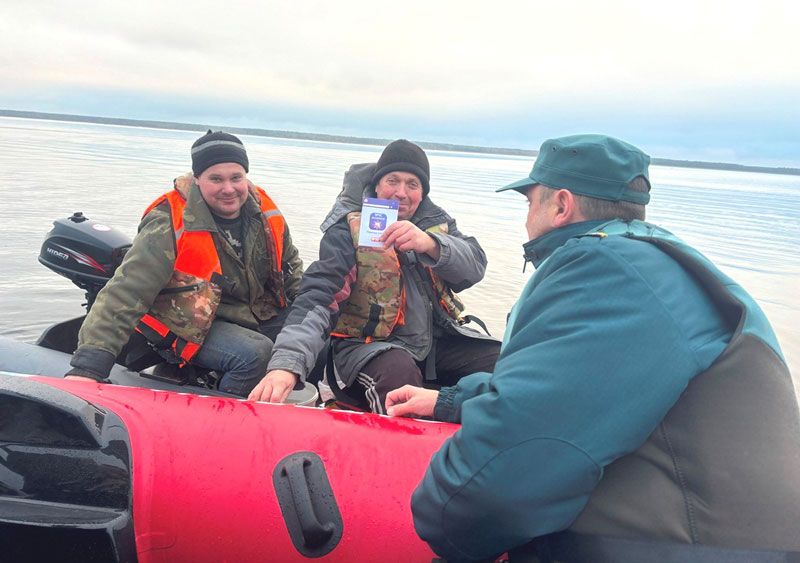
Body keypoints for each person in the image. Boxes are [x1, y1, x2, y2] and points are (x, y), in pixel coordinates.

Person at [386, 134, 800, 562]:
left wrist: (438, 522)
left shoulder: (603, 272)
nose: (526, 218)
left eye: (530, 203)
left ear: (561, 205)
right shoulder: (651, 264)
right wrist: (450, 399)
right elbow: (582, 386)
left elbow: (500, 482)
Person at [250, 139, 500, 410]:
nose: (401, 193)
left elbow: (475, 267)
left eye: (412, 184)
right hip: (367, 346)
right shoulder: (346, 230)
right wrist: (287, 365)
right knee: (399, 378)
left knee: (504, 362)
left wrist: (431, 244)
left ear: (423, 192)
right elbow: (319, 296)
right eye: (393, 181)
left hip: (434, 343)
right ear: (377, 184)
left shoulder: (435, 223)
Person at [66, 130, 304, 398]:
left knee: (309, 333)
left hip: (247, 313)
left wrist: (314, 313)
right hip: (184, 323)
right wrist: (88, 368)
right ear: (198, 179)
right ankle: (227, 422)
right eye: (216, 179)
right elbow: (127, 290)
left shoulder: (265, 212)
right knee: (256, 354)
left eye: (236, 177)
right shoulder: (168, 221)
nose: (229, 188)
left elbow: (292, 269)